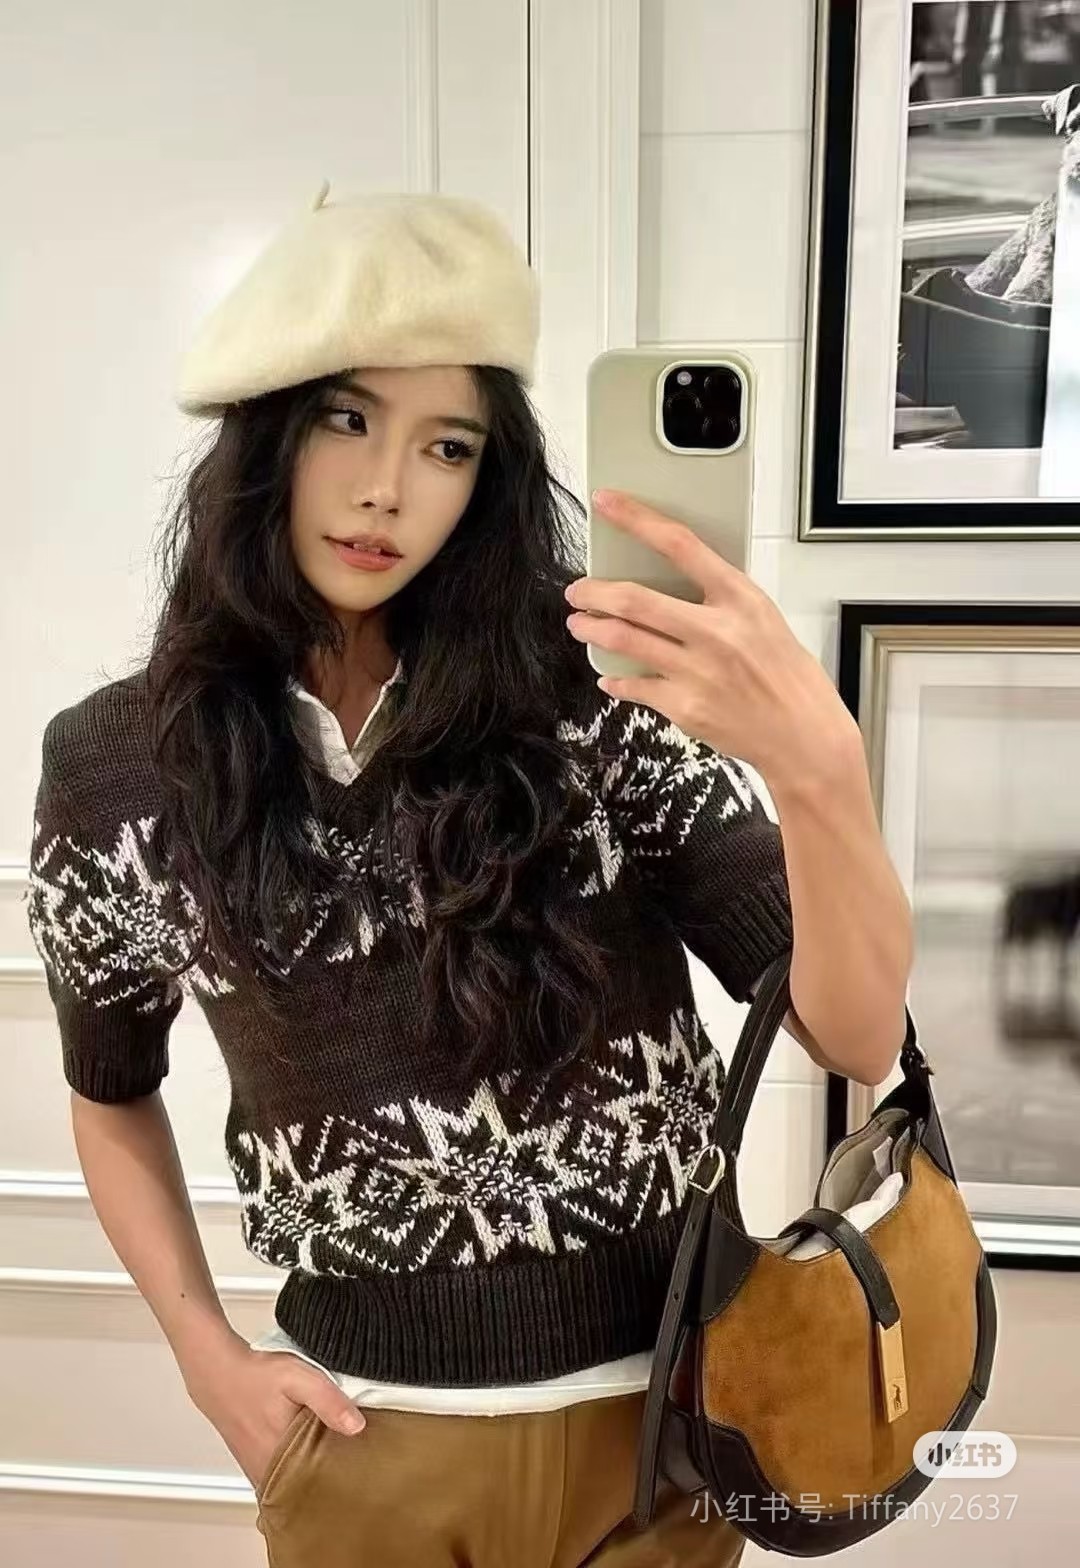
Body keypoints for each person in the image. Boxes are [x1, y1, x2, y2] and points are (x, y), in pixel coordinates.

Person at [24, 184, 914, 1566]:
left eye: (448, 445)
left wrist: (823, 774)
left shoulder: (594, 703)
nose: (389, 488)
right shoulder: (118, 768)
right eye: (347, 419)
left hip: (663, 1444)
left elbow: (852, 1032)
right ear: (262, 434)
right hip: (371, 1450)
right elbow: (109, 1092)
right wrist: (206, 1359)